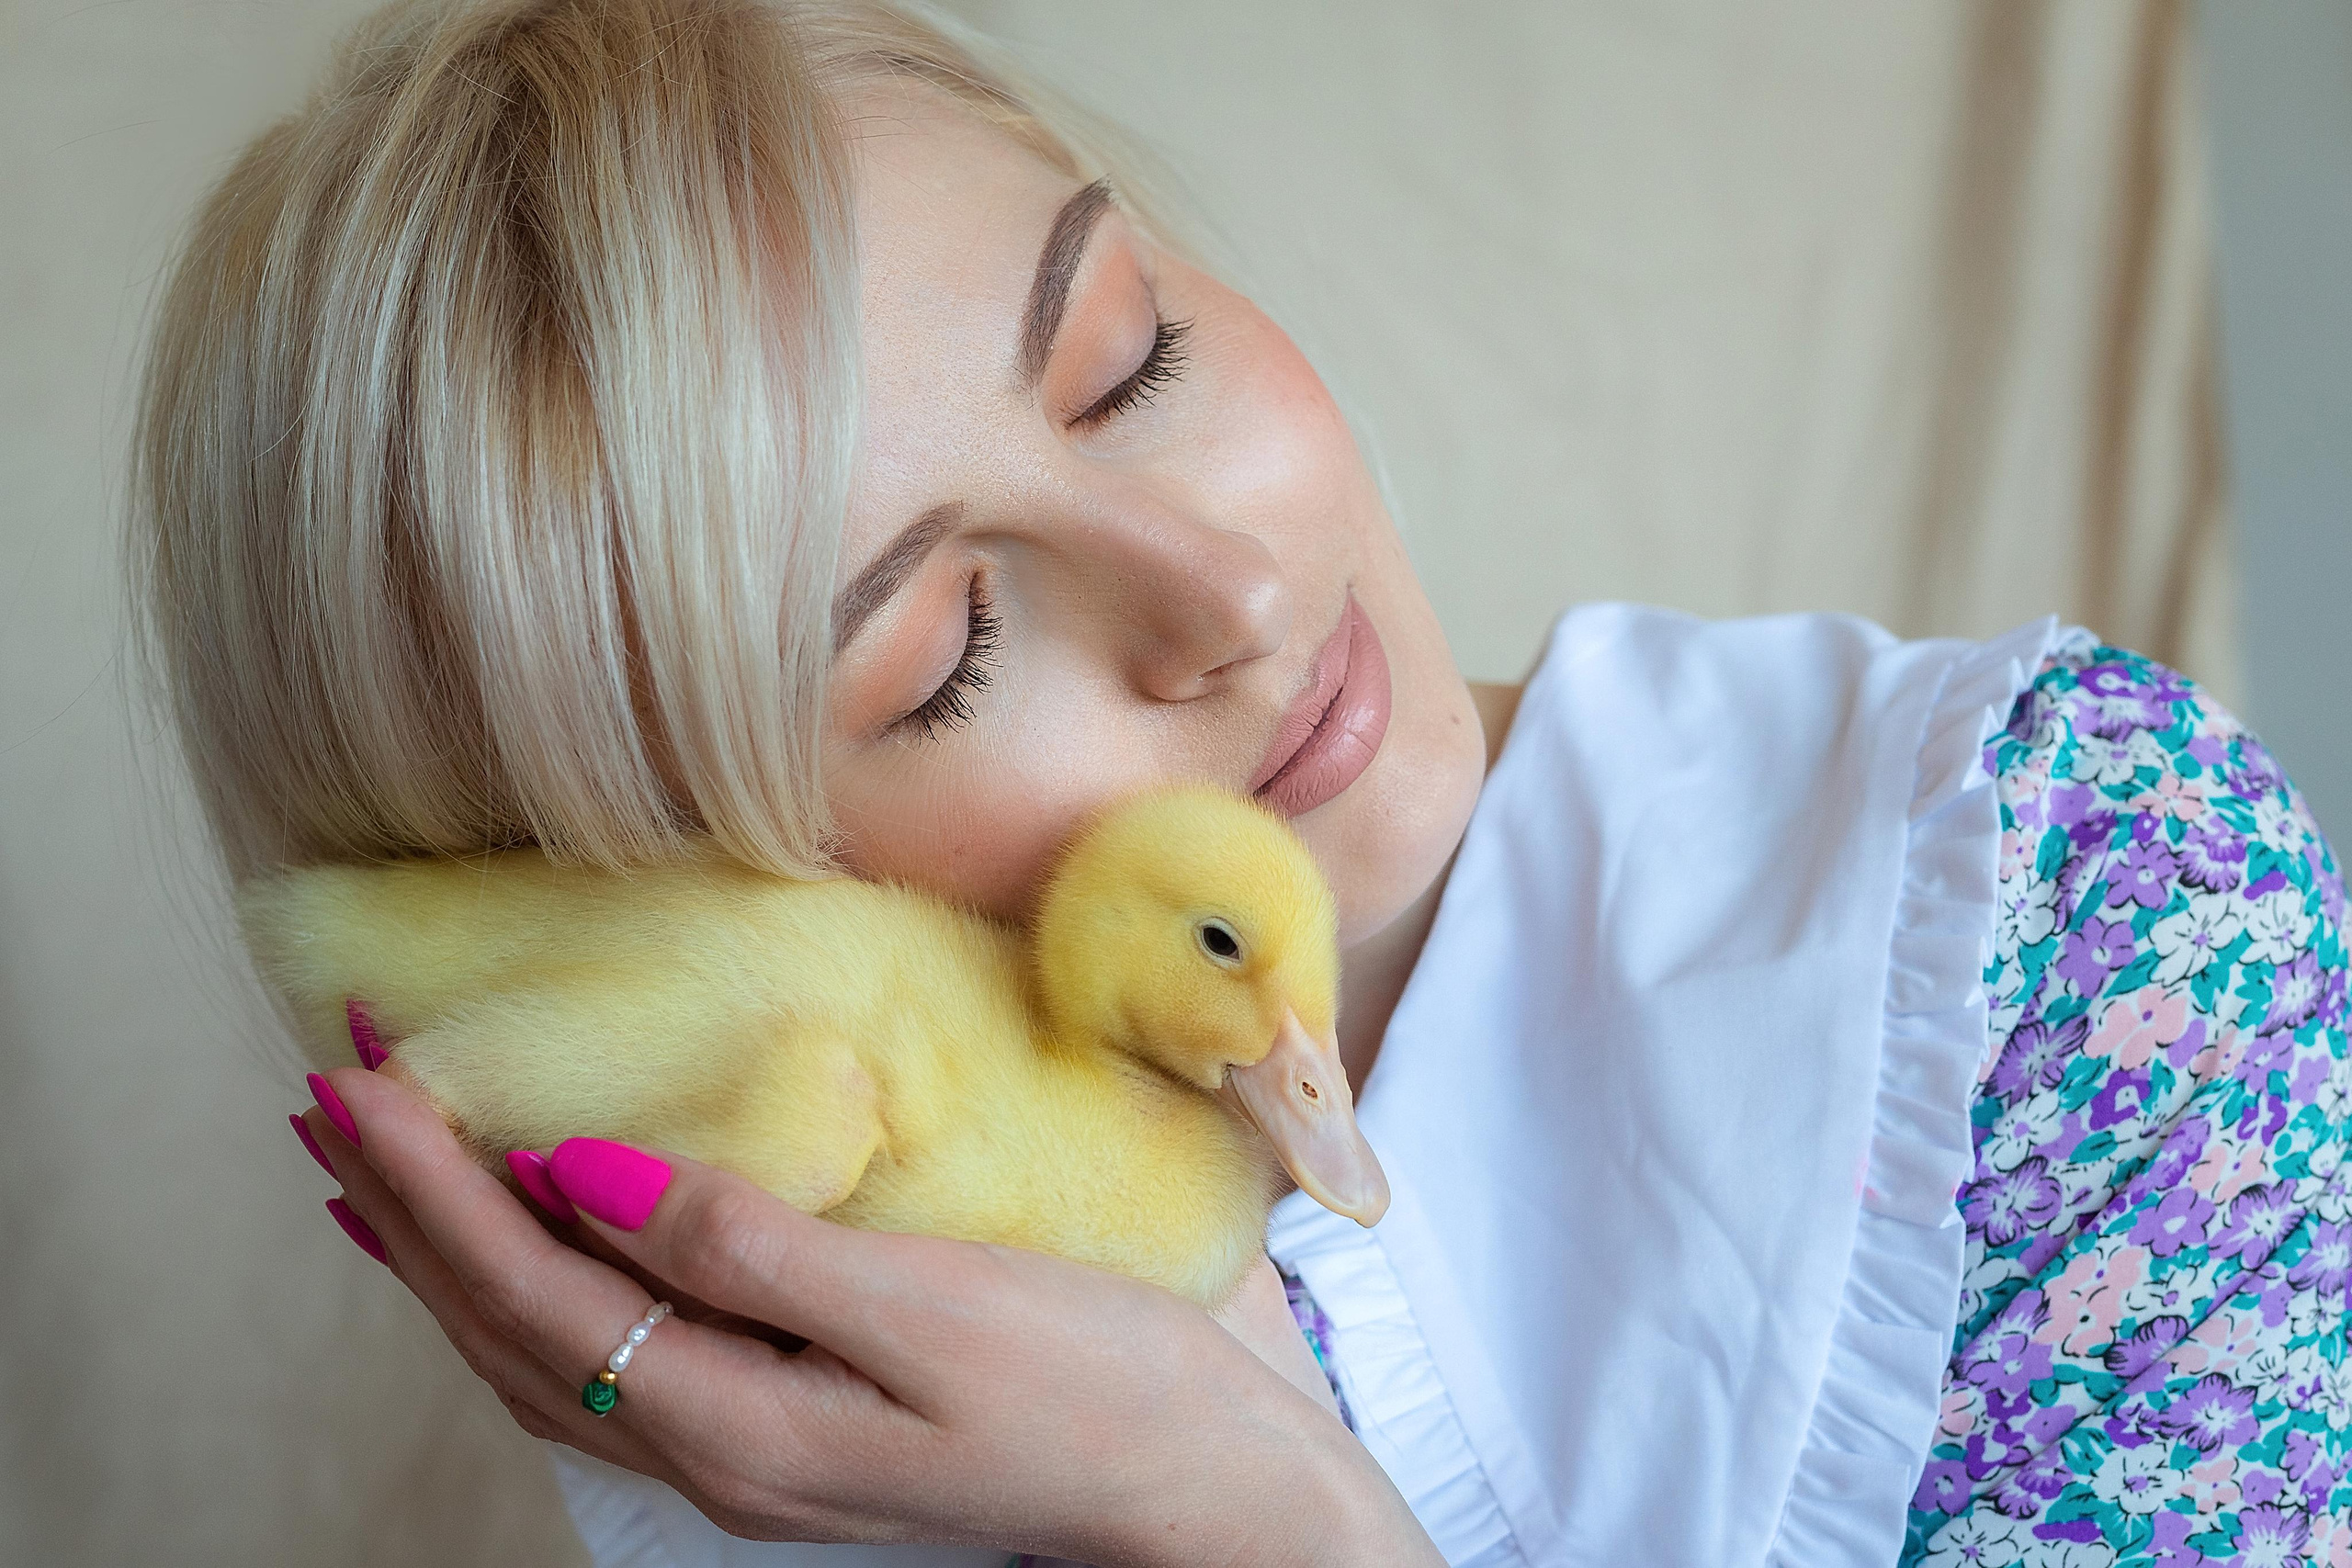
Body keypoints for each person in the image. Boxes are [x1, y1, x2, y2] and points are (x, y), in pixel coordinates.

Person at [130, 1, 2347, 1564]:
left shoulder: (2053, 895)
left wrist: (1268, 1522)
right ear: (672, 911)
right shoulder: (766, 1388)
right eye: (942, 651)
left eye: (1131, 357)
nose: (1225, 587)